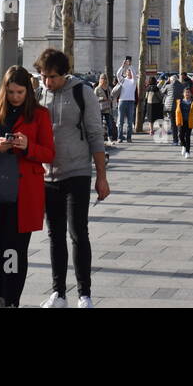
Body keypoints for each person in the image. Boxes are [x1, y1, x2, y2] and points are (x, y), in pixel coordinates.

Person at [0, 66, 54, 307]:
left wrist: (28, 146)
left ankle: (12, 299)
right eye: (11, 91)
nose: (15, 96)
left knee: (15, 251)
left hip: (22, 194)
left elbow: (49, 153)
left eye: (20, 92)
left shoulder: (40, 114)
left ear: (28, 91)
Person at [33, 48, 109, 310]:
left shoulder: (82, 91)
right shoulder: (40, 94)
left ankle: (84, 294)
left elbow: (95, 135)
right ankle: (59, 293)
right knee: (55, 235)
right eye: (43, 76)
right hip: (48, 175)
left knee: (78, 233)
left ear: (63, 73)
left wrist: (101, 177)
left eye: (52, 77)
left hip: (77, 171)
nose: (47, 82)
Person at [114, 58, 137, 142]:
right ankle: (119, 137)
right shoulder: (123, 80)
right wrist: (123, 66)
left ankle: (129, 137)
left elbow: (135, 74)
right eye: (128, 72)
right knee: (120, 121)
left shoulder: (133, 81)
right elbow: (117, 74)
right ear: (125, 73)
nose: (129, 73)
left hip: (131, 101)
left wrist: (130, 66)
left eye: (130, 71)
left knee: (130, 121)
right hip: (122, 101)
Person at [175, 86, 193, 158]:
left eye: (188, 92)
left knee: (187, 136)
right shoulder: (179, 102)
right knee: (180, 136)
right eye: (186, 92)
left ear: (191, 94)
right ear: (183, 94)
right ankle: (184, 146)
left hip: (189, 122)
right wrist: (177, 121)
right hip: (181, 122)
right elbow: (177, 113)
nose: (187, 94)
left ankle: (187, 152)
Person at [94, 73, 117, 143]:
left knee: (109, 124)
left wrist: (111, 99)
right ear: (100, 80)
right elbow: (94, 99)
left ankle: (110, 138)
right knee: (99, 124)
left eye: (105, 78)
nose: (104, 80)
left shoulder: (108, 88)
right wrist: (102, 98)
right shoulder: (97, 89)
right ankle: (100, 138)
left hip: (107, 108)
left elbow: (112, 96)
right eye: (103, 78)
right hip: (100, 109)